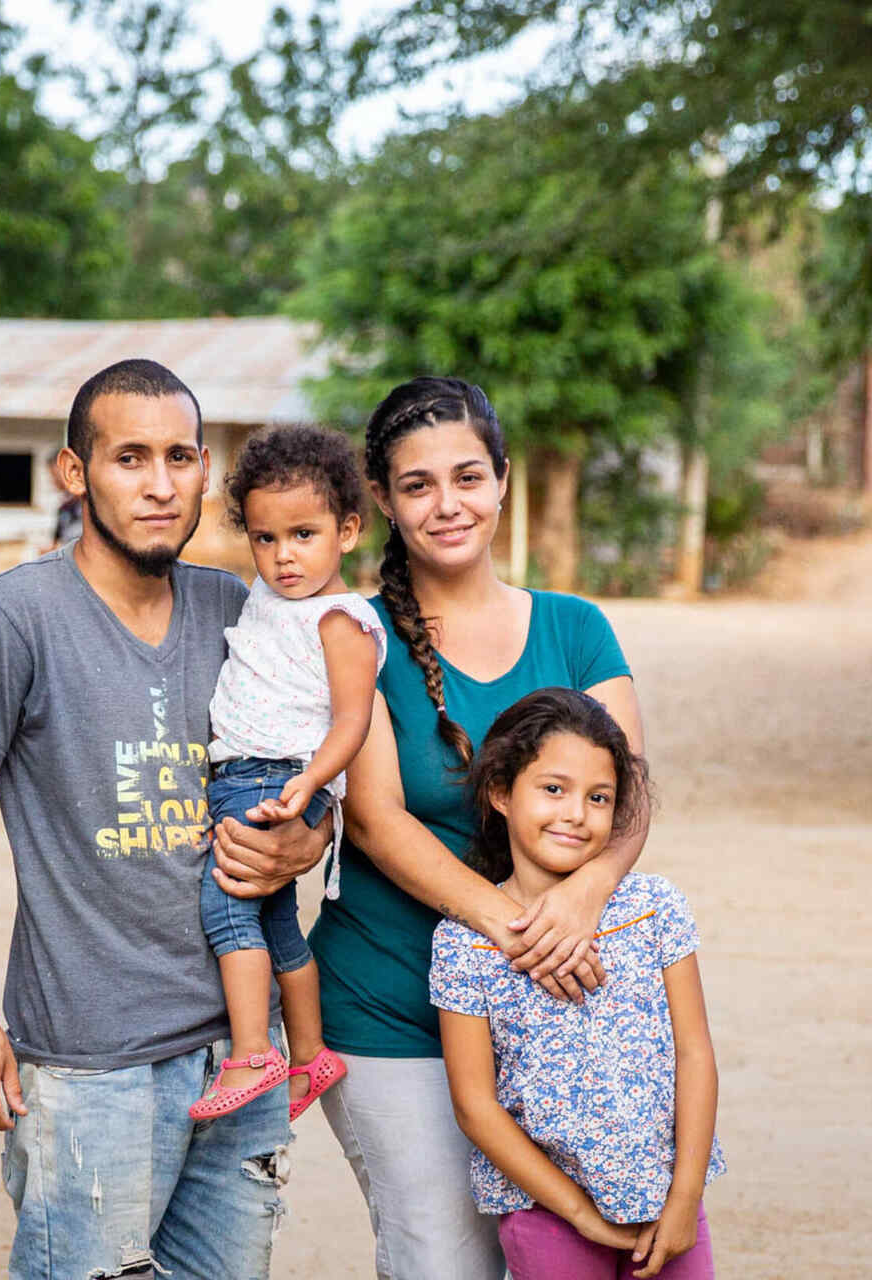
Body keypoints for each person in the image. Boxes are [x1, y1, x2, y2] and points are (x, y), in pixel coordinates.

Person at [0, 358, 332, 1280]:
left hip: (239, 1055)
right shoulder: (13, 617)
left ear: (206, 473)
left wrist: (315, 832)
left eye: (180, 457)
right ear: (75, 473)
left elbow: (318, 747)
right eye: (129, 457)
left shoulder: (242, 610)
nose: (159, 484)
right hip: (88, 1064)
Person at [304, 376, 648, 1279]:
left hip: (551, 1016)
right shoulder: (356, 634)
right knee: (444, 1262)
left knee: (556, 1256)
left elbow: (631, 795)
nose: (447, 505)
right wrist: (522, 930)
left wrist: (584, 905)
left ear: (502, 478)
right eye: (417, 485)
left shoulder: (576, 628)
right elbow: (377, 822)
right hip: (393, 1007)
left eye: (467, 477)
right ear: (381, 499)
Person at [432, 688, 725, 1280]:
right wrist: (578, 1215)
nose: (575, 814)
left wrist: (686, 1196)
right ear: (499, 793)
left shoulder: (654, 909)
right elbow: (476, 1105)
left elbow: (695, 1053)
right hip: (547, 1215)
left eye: (599, 798)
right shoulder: (463, 944)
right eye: (553, 789)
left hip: (667, 1203)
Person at [189, 426, 386, 1124]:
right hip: (252, 773)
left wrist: (311, 785)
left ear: (349, 531)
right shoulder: (268, 599)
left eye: (304, 534)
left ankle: (251, 1053)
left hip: (276, 776)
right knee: (276, 927)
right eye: (266, 539)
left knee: (227, 905)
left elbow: (352, 721)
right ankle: (309, 1055)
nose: (283, 556)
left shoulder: (340, 619)